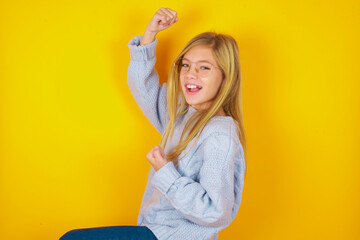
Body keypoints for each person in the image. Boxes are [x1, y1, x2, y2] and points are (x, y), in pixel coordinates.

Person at [59, 7, 246, 240]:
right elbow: (143, 87)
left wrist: (165, 172)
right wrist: (149, 34)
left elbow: (214, 212)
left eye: (204, 68)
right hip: (153, 230)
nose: (190, 74)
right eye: (186, 65)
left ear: (226, 77)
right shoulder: (181, 114)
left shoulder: (219, 135)